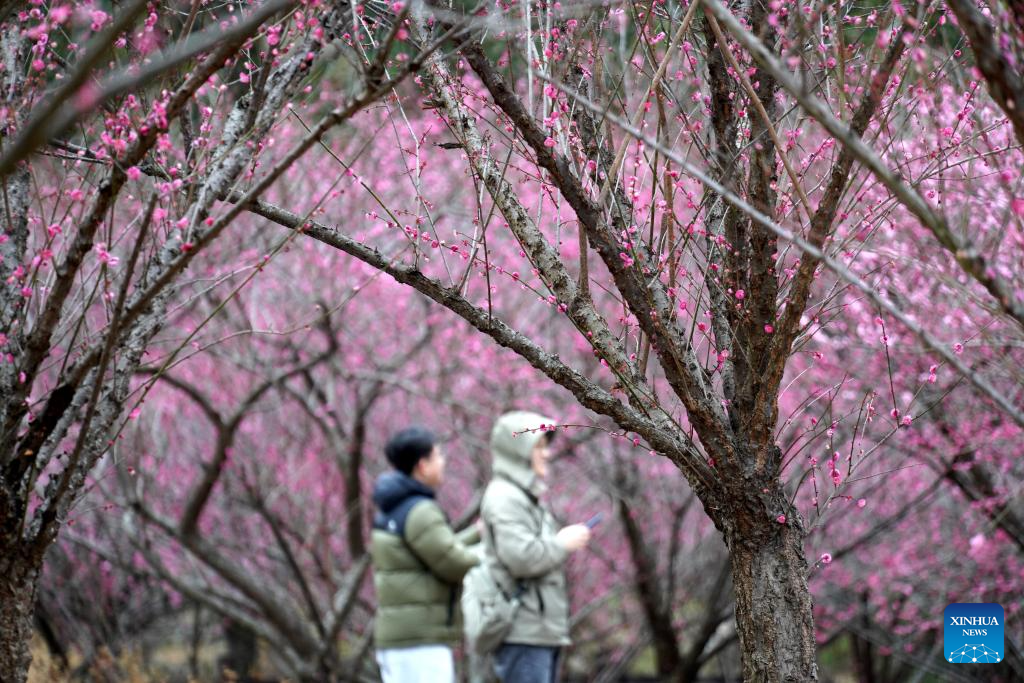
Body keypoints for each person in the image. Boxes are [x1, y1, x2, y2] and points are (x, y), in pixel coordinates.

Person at [480, 411, 591, 683]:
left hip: (536, 632)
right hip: (523, 633)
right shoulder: (505, 497)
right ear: (518, 451)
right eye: (538, 447)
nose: (546, 454)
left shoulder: (522, 495)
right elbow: (521, 558)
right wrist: (561, 543)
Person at [371, 426, 481, 683]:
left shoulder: (393, 507)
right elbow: (452, 563)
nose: (443, 463)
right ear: (422, 465)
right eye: (438, 456)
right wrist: (492, 556)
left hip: (400, 637)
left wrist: (476, 533)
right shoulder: (421, 511)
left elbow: (433, 553)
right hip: (420, 641)